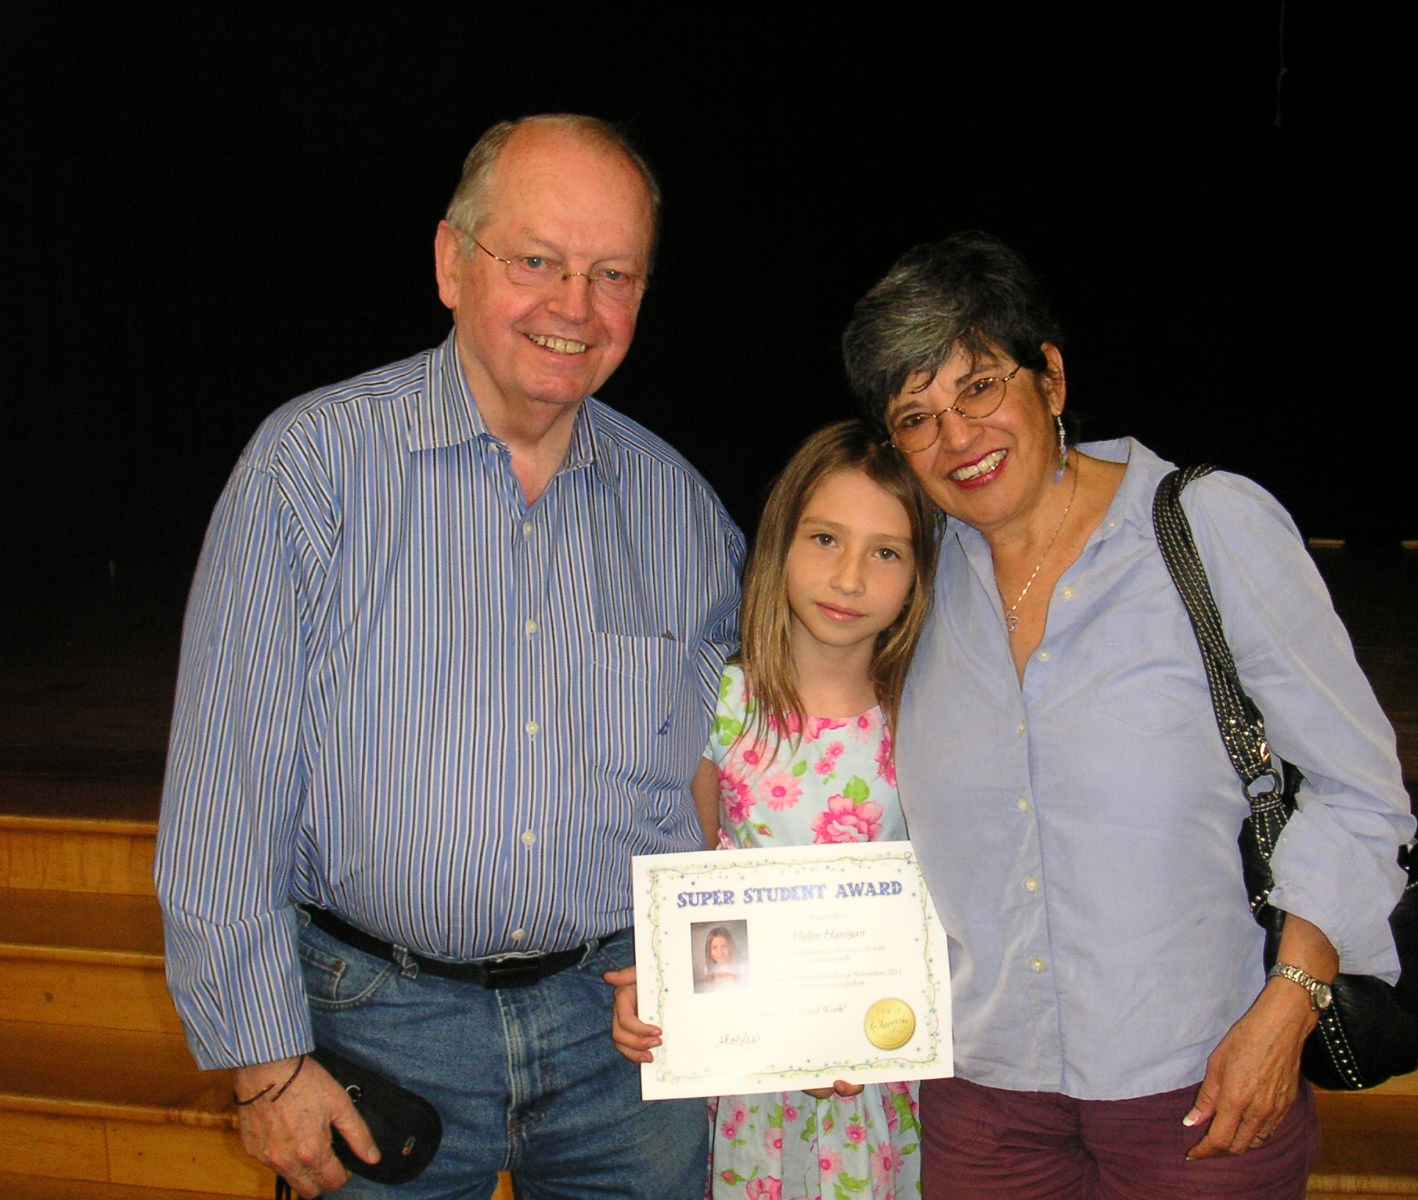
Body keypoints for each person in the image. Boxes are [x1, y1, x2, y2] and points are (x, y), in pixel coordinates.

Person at [155, 114, 742, 1198]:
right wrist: (266, 1067)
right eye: (536, 261)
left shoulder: (684, 513)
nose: (575, 307)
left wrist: (749, 985)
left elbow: (718, 778)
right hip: (380, 1023)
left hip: (624, 1037)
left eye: (613, 273)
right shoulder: (310, 469)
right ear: (448, 263)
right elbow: (224, 793)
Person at [838, 232, 1417, 1198]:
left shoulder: (1203, 526)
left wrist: (1291, 1006)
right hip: (982, 1106)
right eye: (916, 417)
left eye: (978, 388)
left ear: (1051, 378)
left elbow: (1361, 793)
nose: (956, 438)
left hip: (1202, 1092)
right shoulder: (914, 575)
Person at [608, 420, 941, 1200]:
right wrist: (652, 992)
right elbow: (686, 887)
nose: (851, 577)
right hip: (745, 1083)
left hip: (874, 1082)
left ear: (919, 574)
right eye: (825, 539)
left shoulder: (930, 717)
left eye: (886, 552)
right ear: (780, 544)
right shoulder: (718, 707)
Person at [698, 925, 745, 991]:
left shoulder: (741, 967)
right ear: (709, 950)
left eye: (724, 946)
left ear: (731, 947)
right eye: (714, 947)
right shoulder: (707, 968)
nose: (720, 952)